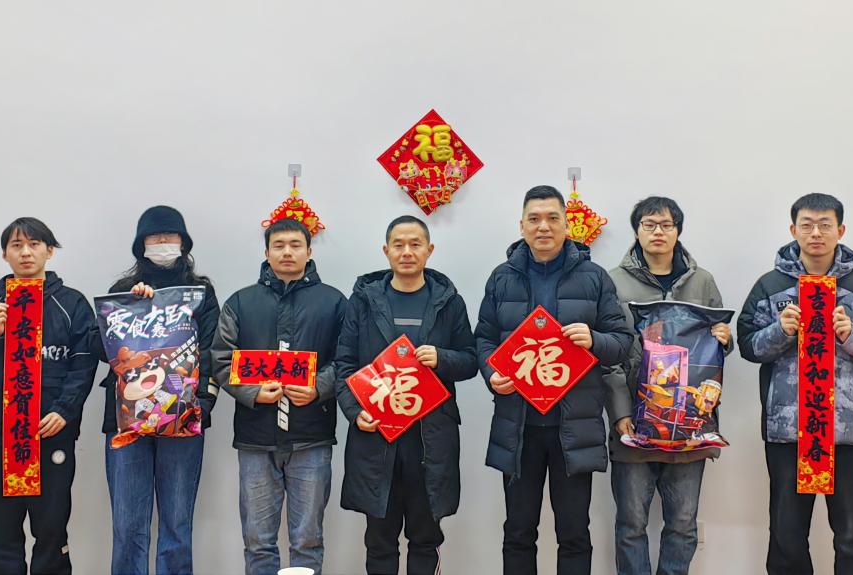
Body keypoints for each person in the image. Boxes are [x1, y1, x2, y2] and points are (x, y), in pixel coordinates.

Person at [737, 193, 853, 575]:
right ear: (793, 229)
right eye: (807, 224)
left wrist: (852, 334)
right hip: (789, 431)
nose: (816, 233)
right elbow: (747, 345)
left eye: (825, 224)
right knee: (786, 534)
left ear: (840, 230)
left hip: (848, 432)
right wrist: (780, 331)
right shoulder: (770, 286)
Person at [474, 185, 633, 575]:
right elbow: (484, 339)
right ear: (522, 225)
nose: (543, 226)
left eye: (552, 218)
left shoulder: (594, 277)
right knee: (518, 532)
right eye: (534, 219)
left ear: (566, 224)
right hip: (518, 427)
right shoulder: (502, 278)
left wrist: (594, 340)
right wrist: (493, 373)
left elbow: (622, 343)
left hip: (573, 428)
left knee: (574, 533)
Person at [0, 217, 97, 574]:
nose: (26, 252)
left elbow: (84, 363)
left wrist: (65, 410)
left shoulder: (72, 304)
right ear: (5, 254)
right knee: (0, 536)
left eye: (34, 244)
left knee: (51, 533)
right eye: (16, 246)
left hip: (50, 435)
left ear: (50, 251)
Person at [335, 215, 477, 575]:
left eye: (415, 244)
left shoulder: (449, 302)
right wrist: (354, 411)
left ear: (430, 250)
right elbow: (345, 364)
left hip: (430, 438)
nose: (407, 251)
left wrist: (442, 358)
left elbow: (471, 360)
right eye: (398, 244)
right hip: (377, 434)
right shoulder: (364, 301)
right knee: (379, 540)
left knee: (425, 537)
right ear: (386, 251)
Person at [604, 196, 733, 575]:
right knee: (631, 525)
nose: (658, 232)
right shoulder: (612, 281)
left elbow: (717, 346)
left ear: (678, 231)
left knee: (683, 524)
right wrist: (620, 413)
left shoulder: (702, 281)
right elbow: (608, 354)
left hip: (690, 425)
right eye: (649, 225)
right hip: (635, 421)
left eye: (666, 225)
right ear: (637, 231)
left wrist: (726, 338)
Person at [212, 218, 347, 575]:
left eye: (295, 245)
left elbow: (348, 359)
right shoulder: (241, 302)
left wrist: (319, 387)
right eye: (279, 245)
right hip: (256, 438)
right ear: (266, 252)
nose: (287, 252)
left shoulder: (334, 301)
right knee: (258, 541)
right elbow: (221, 358)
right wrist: (254, 391)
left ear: (309, 251)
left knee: (308, 540)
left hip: (312, 436)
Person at [96, 205, 219, 575]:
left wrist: (202, 405)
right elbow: (102, 350)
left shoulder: (201, 293)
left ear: (183, 242)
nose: (163, 241)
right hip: (127, 422)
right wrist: (131, 308)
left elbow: (212, 352)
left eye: (170, 235)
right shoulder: (121, 292)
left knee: (177, 526)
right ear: (141, 244)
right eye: (155, 236)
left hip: (183, 418)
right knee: (128, 526)